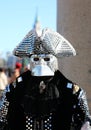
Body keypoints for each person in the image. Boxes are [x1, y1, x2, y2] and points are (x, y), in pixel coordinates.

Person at [0, 28, 91, 130]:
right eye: (36, 59)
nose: (41, 63)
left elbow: (84, 120)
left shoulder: (72, 91)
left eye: (46, 59)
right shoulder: (14, 89)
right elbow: (2, 117)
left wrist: (85, 124)